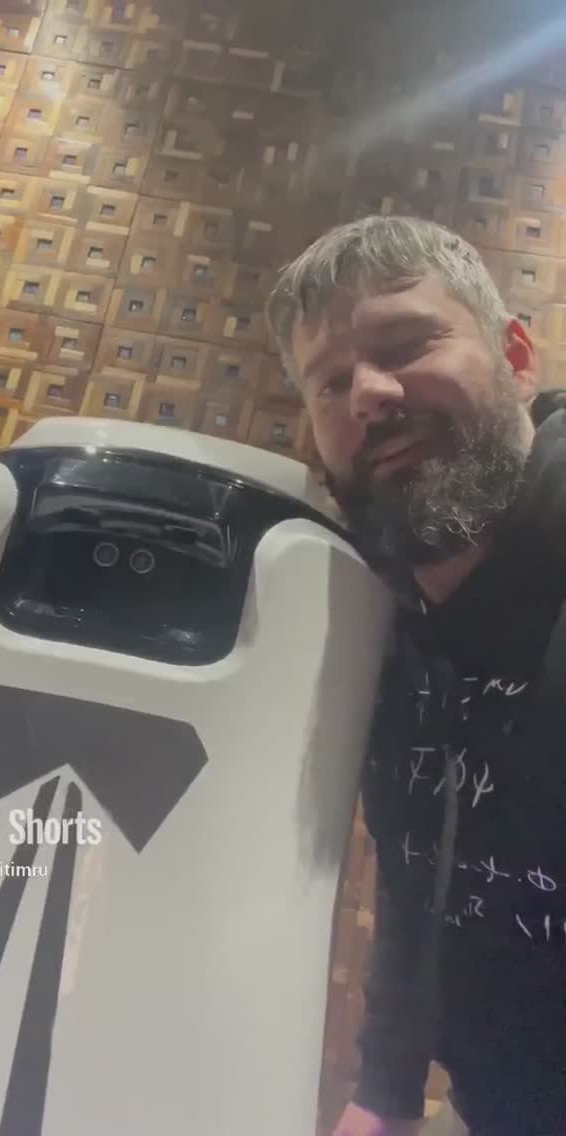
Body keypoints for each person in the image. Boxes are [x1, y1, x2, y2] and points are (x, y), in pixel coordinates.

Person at [266, 216, 566, 1136]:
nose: (369, 393)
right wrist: (386, 1090)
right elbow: (420, 875)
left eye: (406, 345)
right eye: (330, 382)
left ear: (517, 356)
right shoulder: (378, 619)